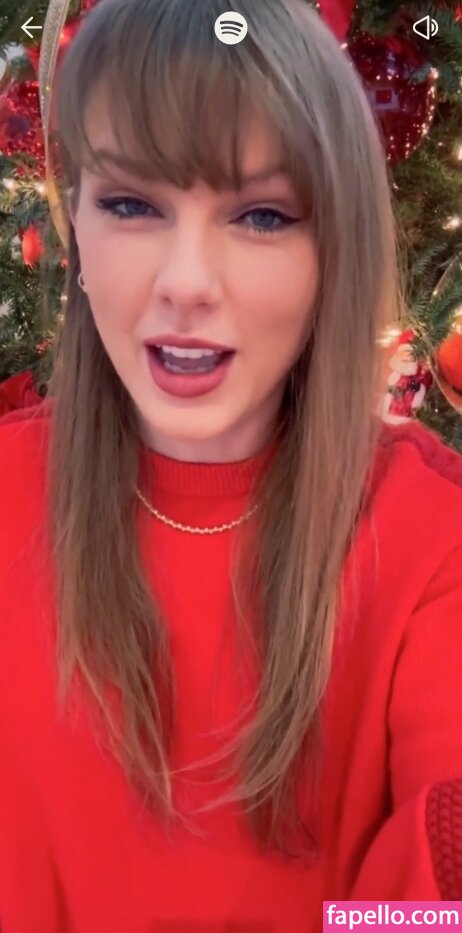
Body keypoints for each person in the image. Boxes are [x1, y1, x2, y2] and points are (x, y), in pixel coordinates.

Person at [1, 0, 462, 929]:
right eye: (131, 204)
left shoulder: (430, 535)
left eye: (260, 215)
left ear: (333, 252)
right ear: (77, 229)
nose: (186, 282)